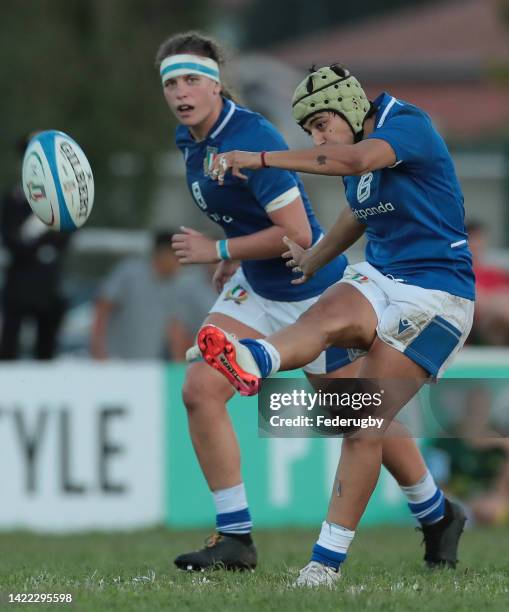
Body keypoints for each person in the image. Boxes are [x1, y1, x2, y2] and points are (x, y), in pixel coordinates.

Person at [156, 34, 454, 577]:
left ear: (217, 84)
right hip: (259, 285)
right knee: (200, 388)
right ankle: (235, 537)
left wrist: (217, 248)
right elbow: (327, 214)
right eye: (171, 82)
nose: (181, 92)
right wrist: (233, 249)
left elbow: (295, 229)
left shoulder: (254, 136)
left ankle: (434, 513)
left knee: (358, 416)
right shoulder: (189, 139)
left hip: (311, 291)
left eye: (191, 79)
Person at [0, 134, 71, 360]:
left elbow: (65, 236)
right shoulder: (14, 199)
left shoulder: (64, 197)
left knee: (47, 349)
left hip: (49, 286)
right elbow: (13, 242)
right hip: (19, 285)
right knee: (9, 347)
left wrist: (36, 241)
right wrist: (39, 239)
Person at [90, 230, 211, 360]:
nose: (181, 263)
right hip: (114, 362)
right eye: (178, 257)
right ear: (163, 254)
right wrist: (98, 349)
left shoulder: (177, 286)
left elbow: (175, 329)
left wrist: (180, 366)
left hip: (148, 366)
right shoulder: (130, 273)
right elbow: (102, 307)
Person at [465, 220, 509, 345]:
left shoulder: (494, 273)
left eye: (480, 239)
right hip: (475, 324)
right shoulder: (459, 273)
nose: (478, 244)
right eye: (473, 239)